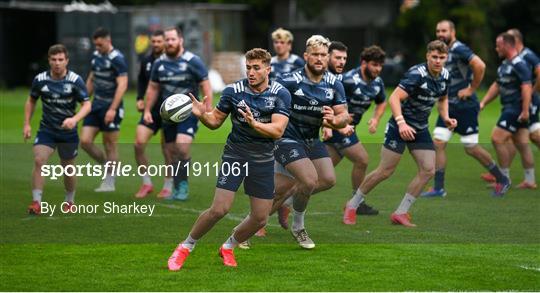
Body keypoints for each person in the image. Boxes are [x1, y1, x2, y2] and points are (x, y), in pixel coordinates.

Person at [166, 48, 291, 270]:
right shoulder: (233, 91)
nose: (251, 72)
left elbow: (278, 130)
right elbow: (215, 122)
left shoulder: (281, 93)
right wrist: (202, 114)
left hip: (262, 160)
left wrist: (255, 124)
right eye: (248, 67)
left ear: (268, 69)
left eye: (256, 68)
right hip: (236, 154)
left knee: (260, 218)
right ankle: (185, 247)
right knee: (219, 209)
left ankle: (228, 246)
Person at [343, 40, 457, 227]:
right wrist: (402, 123)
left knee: (428, 170)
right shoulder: (416, 74)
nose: (438, 61)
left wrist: (445, 117)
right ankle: (352, 204)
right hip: (399, 127)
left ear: (446, 58)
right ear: (427, 56)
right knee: (385, 171)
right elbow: (394, 98)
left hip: (419, 129)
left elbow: (443, 99)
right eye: (434, 57)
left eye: (442, 57)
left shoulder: (445, 75)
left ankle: (401, 212)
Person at [271, 35, 349, 249]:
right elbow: (267, 98)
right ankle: (298, 227)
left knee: (328, 179)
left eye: (324, 55)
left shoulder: (334, 84)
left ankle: (283, 202)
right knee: (308, 180)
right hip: (287, 138)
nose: (319, 59)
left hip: (311, 139)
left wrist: (334, 121)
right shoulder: (289, 80)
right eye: (315, 54)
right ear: (306, 56)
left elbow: (344, 116)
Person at [421, 20, 509, 197]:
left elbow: (480, 65)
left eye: (444, 30)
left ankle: (502, 179)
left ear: (452, 32)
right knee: (438, 143)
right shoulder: (443, 52)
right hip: (448, 106)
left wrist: (471, 89)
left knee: (471, 147)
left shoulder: (459, 48)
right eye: (438, 31)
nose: (440, 34)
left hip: (465, 106)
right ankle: (439, 188)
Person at [143, 26, 213, 200]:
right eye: (167, 39)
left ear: (181, 40)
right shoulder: (159, 63)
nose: (169, 42)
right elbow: (153, 87)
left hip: (189, 111)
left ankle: (182, 185)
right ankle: (176, 185)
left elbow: (205, 84)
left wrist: (207, 108)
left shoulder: (192, 61)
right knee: (171, 151)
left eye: (173, 39)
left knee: (182, 146)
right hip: (167, 114)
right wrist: (146, 110)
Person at [25, 44, 91, 214]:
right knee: (39, 160)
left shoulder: (75, 80)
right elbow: (31, 100)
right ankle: (36, 202)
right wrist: (27, 124)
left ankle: (70, 201)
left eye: (61, 60)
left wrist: (74, 119)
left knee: (68, 169)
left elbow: (87, 105)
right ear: (49, 60)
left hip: (67, 133)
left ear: (67, 61)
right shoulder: (40, 80)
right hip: (47, 129)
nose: (57, 63)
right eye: (53, 59)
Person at [324, 44, 387, 217]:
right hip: (339, 128)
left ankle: (287, 199)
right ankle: (356, 202)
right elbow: (328, 100)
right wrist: (328, 126)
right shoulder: (348, 79)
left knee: (320, 177)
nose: (378, 69)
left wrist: (375, 118)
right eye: (374, 65)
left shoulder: (378, 83)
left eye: (380, 66)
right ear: (364, 63)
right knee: (362, 160)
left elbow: (382, 102)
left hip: (349, 129)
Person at [481, 29, 539, 189]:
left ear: (507, 45)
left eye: (498, 45)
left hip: (516, 108)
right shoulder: (506, 65)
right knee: (521, 143)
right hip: (511, 107)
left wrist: (526, 110)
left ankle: (503, 178)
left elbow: (526, 87)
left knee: (497, 138)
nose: (496, 48)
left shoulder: (519, 64)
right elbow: (497, 85)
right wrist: (483, 102)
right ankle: (529, 180)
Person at [81, 27, 128, 192]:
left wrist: (113, 109)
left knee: (110, 145)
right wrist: (85, 100)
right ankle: (108, 165)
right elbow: (91, 79)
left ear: (108, 41)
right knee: (85, 141)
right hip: (96, 105)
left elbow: (123, 84)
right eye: (96, 45)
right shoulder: (96, 56)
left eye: (100, 45)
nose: (97, 48)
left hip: (111, 107)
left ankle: (109, 182)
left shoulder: (117, 59)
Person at [133, 30, 175, 198]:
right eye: (154, 41)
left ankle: (168, 185)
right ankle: (147, 183)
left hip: (168, 112)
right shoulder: (146, 60)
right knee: (138, 143)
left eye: (159, 41)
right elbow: (142, 81)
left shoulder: (172, 61)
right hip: (150, 110)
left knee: (167, 149)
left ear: (165, 42)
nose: (156, 44)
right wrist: (139, 98)